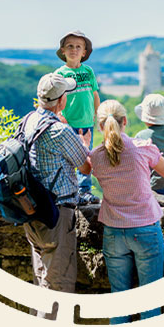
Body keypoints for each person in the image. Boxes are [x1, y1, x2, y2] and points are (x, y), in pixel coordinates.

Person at [89, 100, 164, 324]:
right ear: (125, 122)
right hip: (145, 230)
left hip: (113, 230)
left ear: (100, 126)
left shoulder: (96, 157)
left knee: (119, 300)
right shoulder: (143, 148)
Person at [23, 73, 92, 319]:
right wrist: (82, 143)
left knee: (42, 281)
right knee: (58, 287)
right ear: (61, 101)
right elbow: (86, 167)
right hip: (57, 214)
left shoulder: (28, 121)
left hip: (31, 209)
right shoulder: (60, 131)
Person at [54, 30, 100, 205]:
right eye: (70, 46)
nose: (74, 50)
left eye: (78, 47)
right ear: (63, 51)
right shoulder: (60, 73)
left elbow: (94, 94)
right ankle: (67, 191)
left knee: (85, 157)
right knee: (67, 159)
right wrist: (59, 116)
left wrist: (99, 116)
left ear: (84, 52)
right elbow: (56, 98)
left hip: (86, 123)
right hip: (68, 123)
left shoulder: (88, 71)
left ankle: (84, 191)